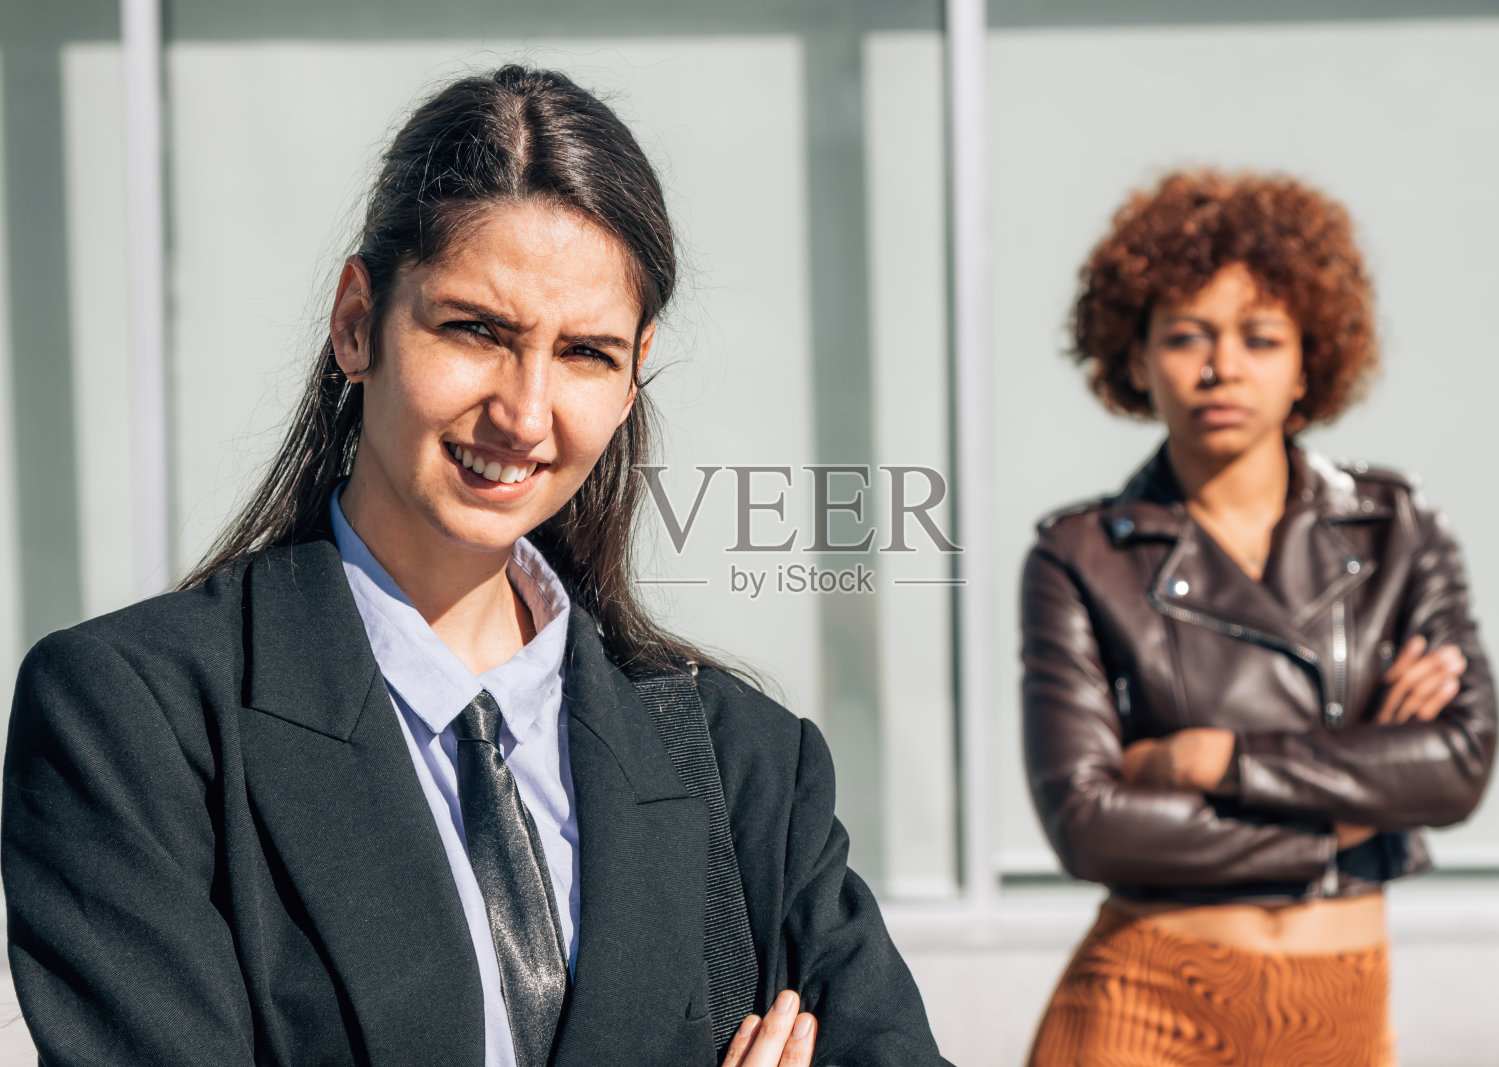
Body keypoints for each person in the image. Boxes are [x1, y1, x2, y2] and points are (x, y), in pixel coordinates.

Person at [2, 65, 948, 1067]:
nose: (525, 412)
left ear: (634, 377)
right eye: (476, 331)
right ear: (357, 321)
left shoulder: (744, 765)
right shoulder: (136, 722)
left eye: (585, 351)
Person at [1020, 169, 1498, 1066]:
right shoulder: (1080, 554)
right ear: (1134, 356)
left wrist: (1212, 758)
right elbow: (1089, 822)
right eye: (1186, 335)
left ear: (1308, 359)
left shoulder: (1397, 528)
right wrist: (1356, 809)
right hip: (1144, 998)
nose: (1222, 366)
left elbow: (1458, 763)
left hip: (1345, 1005)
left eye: (1261, 336)